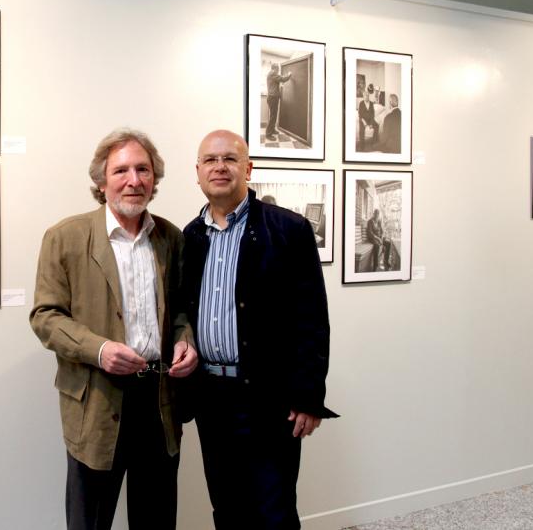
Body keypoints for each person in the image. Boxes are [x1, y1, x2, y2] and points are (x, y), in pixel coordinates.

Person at [30, 128, 198, 530]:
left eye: (143, 169)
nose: (134, 180)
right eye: (121, 170)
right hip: (97, 400)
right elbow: (45, 316)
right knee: (90, 519)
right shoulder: (65, 237)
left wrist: (185, 340)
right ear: (101, 181)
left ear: (154, 179)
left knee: (156, 517)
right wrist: (100, 350)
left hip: (159, 400)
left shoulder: (171, 238)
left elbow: (181, 312)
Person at [182, 129, 337, 529]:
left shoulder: (288, 230)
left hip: (269, 397)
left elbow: (312, 319)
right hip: (211, 397)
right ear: (197, 172)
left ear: (248, 169)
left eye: (230, 159)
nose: (220, 167)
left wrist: (308, 395)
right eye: (210, 160)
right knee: (227, 506)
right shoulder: (190, 237)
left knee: (273, 510)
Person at [265, 63, 292, 142]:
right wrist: (289, 74)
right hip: (272, 98)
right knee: (273, 116)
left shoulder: (271, 74)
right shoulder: (273, 73)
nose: (278, 70)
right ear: (274, 68)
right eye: (278, 69)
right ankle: (268, 134)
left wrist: (280, 86)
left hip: (273, 98)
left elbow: (277, 82)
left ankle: (272, 129)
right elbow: (283, 79)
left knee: (274, 115)